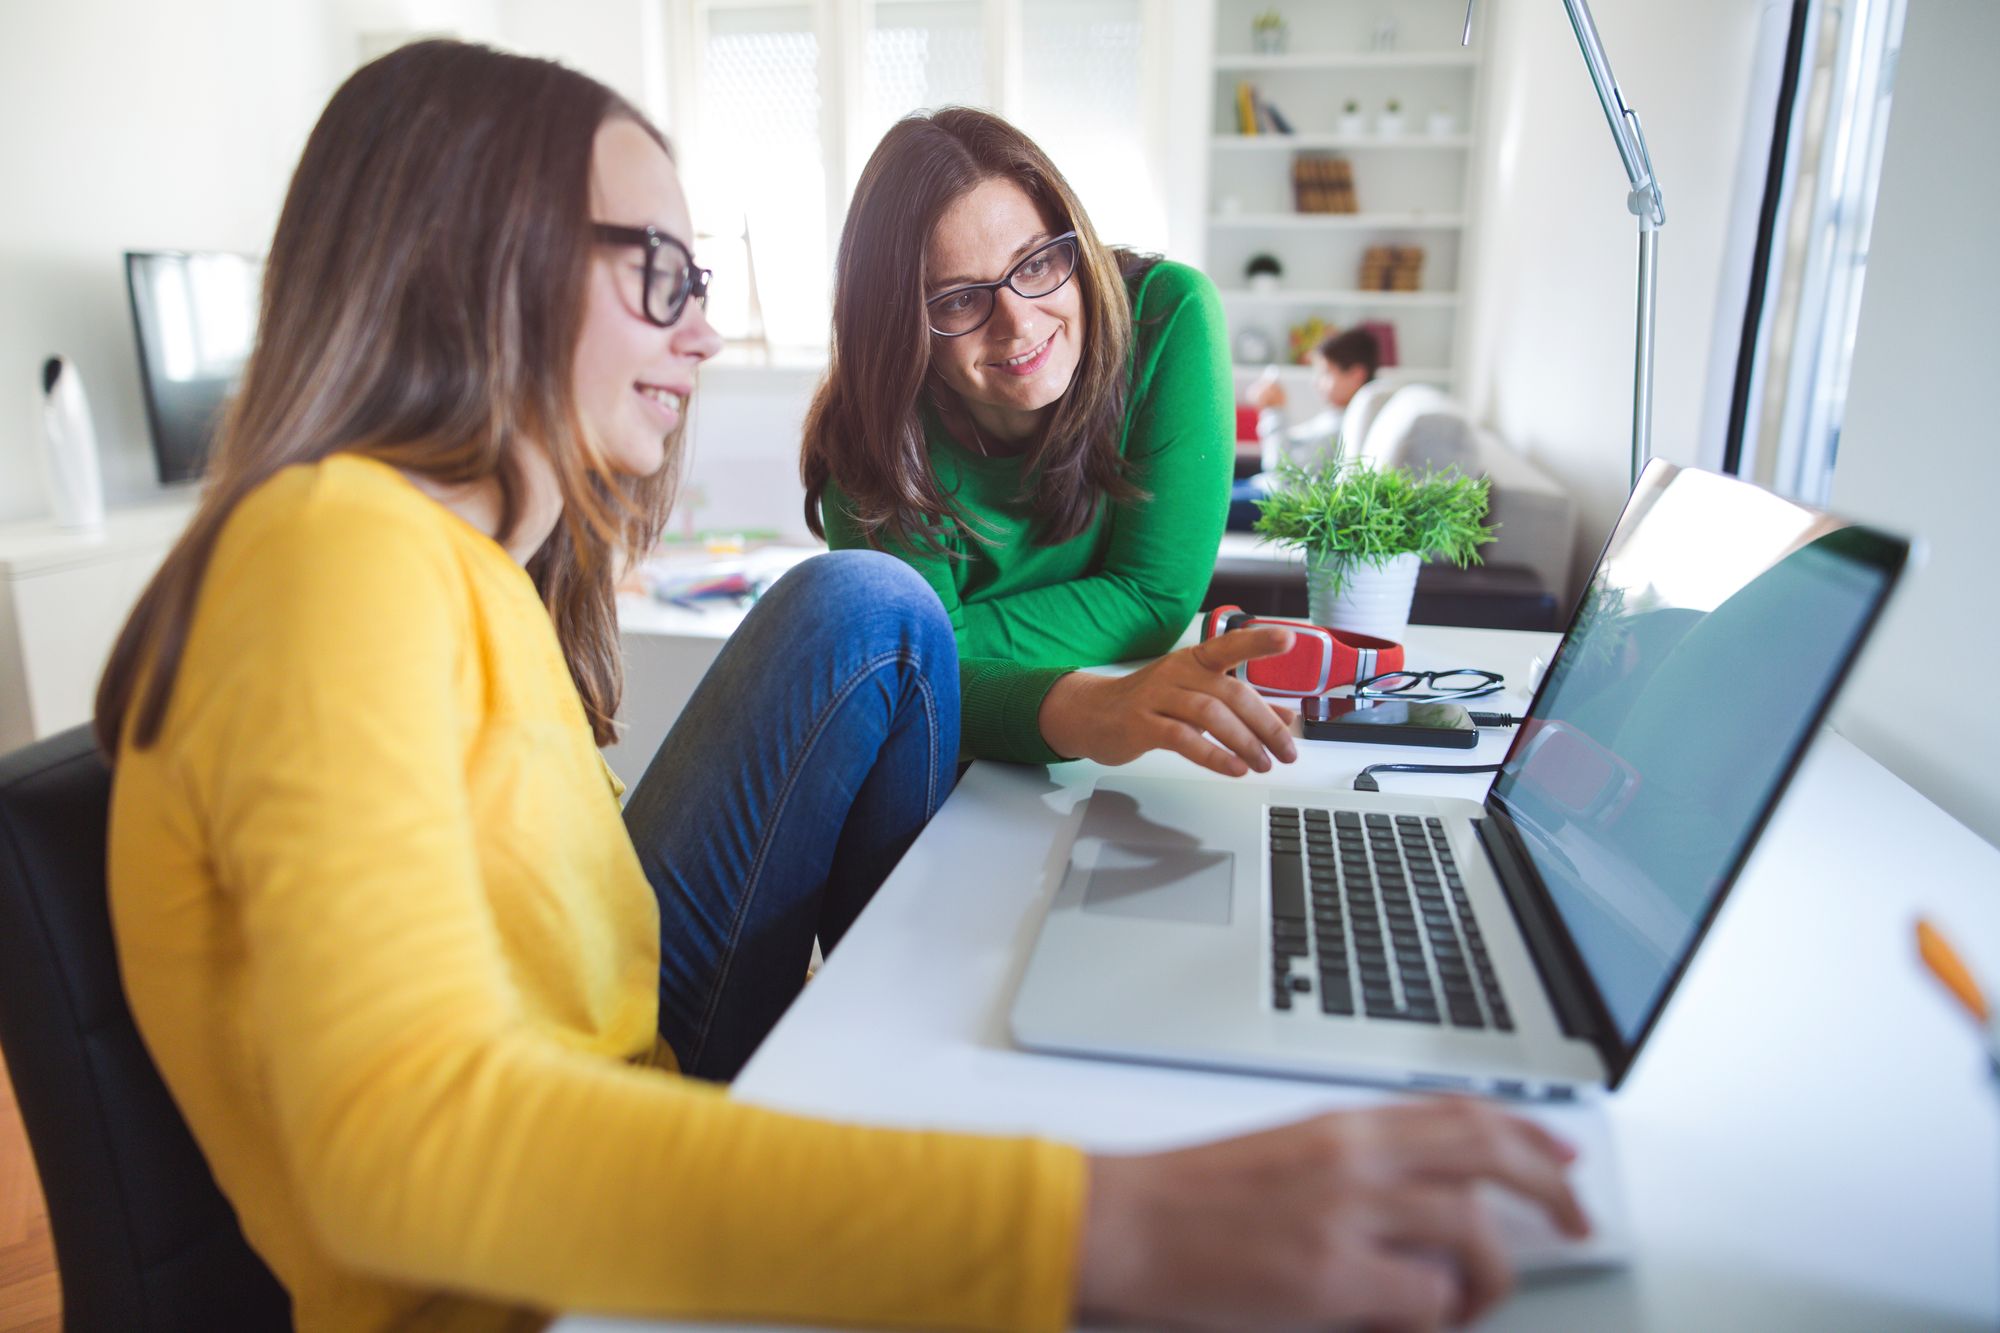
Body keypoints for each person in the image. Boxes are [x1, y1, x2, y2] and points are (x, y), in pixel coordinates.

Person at [96, 41, 1585, 1333]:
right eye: (659, 272)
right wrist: (1099, 1224)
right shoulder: (329, 552)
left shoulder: (454, 564)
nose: (697, 325)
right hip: (538, 1291)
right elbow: (407, 1153)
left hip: (637, 1080)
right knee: (876, 612)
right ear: (479, 262)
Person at [803, 108, 1300, 774]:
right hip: (946, 769)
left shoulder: (1169, 316)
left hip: (1121, 741)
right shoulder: (871, 429)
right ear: (900, 327)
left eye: (1036, 264)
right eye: (956, 300)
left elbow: (1156, 599)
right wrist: (1082, 707)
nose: (1017, 323)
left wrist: (954, 645)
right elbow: (910, 685)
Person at [1228, 326, 1383, 531]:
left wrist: (1274, 410)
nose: (1316, 383)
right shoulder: (1334, 416)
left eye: (1326, 373)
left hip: (1277, 499)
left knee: (1193, 502)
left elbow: (1282, 470)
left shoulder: (1345, 427)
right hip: (1264, 487)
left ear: (1356, 374)